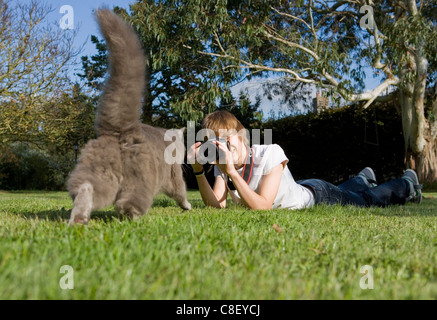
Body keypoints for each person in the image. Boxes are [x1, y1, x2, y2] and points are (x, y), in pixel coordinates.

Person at [187, 110, 423, 210]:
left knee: (367, 200)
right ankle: (361, 179)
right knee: (351, 190)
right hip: (304, 185)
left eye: (228, 140)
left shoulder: (270, 153)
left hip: (318, 196)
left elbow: (262, 207)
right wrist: (199, 172)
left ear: (243, 138)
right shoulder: (223, 166)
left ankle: (406, 185)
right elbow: (217, 207)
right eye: (216, 143)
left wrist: (232, 173)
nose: (224, 148)